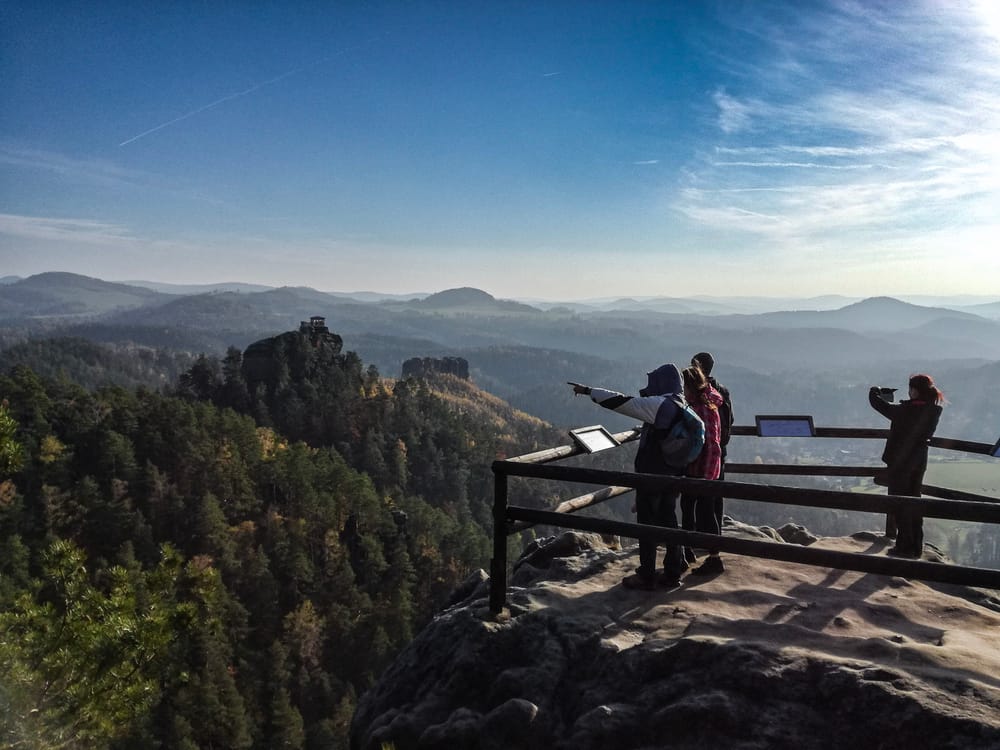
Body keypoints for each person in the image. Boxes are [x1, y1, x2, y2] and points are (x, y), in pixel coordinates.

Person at [570, 364, 690, 590]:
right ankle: (673, 572)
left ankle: (646, 574)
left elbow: (621, 402)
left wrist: (589, 391)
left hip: (653, 475)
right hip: (674, 473)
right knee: (669, 520)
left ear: (662, 382)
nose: (649, 386)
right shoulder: (681, 403)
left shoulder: (659, 404)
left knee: (646, 525)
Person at [869, 374, 944, 559]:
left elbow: (879, 405)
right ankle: (916, 547)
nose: (909, 392)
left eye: (910, 388)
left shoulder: (904, 411)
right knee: (915, 501)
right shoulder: (934, 411)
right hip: (919, 460)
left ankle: (903, 548)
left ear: (915, 390)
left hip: (900, 462)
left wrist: (874, 391)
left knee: (899, 504)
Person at [679, 364, 725, 575]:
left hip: (699, 467)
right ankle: (703, 553)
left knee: (696, 510)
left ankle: (700, 554)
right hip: (711, 466)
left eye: (685, 388)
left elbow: (700, 442)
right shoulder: (712, 404)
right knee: (702, 510)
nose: (683, 392)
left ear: (691, 388)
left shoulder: (698, 410)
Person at [691, 352, 733, 536]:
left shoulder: (699, 392)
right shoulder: (721, 391)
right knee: (716, 494)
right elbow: (730, 418)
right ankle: (716, 536)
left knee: (699, 497)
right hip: (720, 449)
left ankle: (703, 538)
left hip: (702, 452)